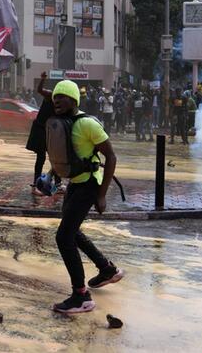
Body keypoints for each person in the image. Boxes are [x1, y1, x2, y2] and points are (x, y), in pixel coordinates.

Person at [48, 80, 123, 315]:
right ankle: (106, 269)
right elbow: (68, 155)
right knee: (72, 232)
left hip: (90, 186)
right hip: (75, 185)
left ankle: (81, 296)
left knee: (64, 237)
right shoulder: (64, 124)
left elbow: (111, 157)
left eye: (62, 96)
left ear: (74, 100)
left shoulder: (87, 124)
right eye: (55, 97)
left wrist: (101, 195)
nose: (57, 100)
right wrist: (52, 175)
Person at [26, 72, 56, 194]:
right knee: (41, 157)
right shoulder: (51, 95)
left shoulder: (65, 103)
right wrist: (43, 79)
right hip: (40, 129)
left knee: (55, 158)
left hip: (49, 131)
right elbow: (39, 90)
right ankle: (34, 185)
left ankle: (57, 184)